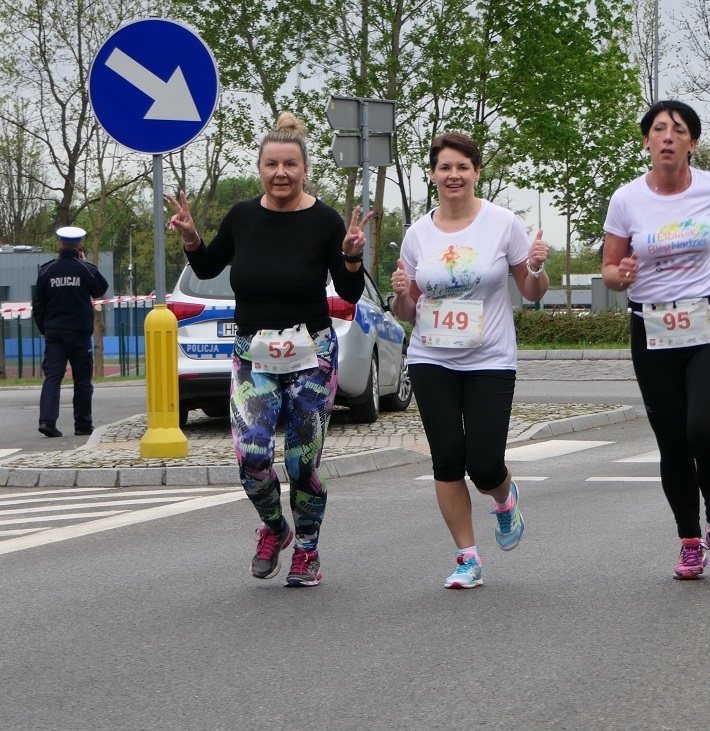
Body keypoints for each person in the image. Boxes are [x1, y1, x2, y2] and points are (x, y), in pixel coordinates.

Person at [165, 112, 372, 588]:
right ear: (260, 168)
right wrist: (191, 237)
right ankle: (276, 528)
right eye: (271, 164)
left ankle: (307, 551)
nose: (281, 173)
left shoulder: (325, 220)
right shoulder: (242, 217)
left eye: (290, 165)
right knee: (252, 457)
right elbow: (209, 264)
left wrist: (351, 255)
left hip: (311, 355)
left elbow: (349, 291)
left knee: (301, 462)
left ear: (304, 170)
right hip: (252, 354)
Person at [601, 100, 710, 580]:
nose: (667, 137)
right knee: (672, 441)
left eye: (678, 129)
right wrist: (621, 275)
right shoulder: (626, 199)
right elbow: (609, 269)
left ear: (692, 142)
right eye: (658, 129)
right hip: (652, 329)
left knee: (706, 430)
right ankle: (690, 540)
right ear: (646, 141)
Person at [390, 132, 549, 590]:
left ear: (476, 172)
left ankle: (504, 498)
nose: (453, 175)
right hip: (430, 357)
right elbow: (407, 311)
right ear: (433, 174)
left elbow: (531, 291)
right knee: (446, 459)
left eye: (462, 167)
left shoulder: (503, 224)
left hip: (490, 359)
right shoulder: (417, 234)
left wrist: (536, 267)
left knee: (483, 464)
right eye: (445, 167)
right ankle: (467, 559)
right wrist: (401, 295)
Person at [33, 225, 109, 438]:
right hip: (79, 333)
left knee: (53, 377)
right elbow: (100, 289)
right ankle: (82, 424)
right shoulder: (86, 269)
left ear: (60, 244)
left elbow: (38, 304)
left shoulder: (47, 270)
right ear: (79, 245)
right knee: (82, 378)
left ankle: (47, 422)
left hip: (54, 332)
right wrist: (84, 263)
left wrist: (45, 327)